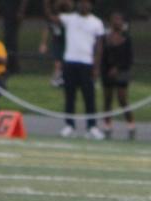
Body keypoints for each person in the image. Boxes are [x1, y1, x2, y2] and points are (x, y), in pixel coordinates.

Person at [44, 0, 105, 140]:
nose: (83, 6)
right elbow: (51, 17)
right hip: (70, 62)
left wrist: (96, 67)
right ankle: (69, 125)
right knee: (69, 96)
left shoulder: (96, 22)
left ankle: (92, 127)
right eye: (81, 3)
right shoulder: (70, 18)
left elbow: (99, 47)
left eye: (86, 3)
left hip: (86, 63)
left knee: (89, 97)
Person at [100, 12, 135, 140]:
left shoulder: (127, 38)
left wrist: (118, 68)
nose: (117, 22)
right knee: (107, 100)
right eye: (115, 19)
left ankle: (131, 124)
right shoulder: (106, 38)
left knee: (122, 99)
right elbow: (103, 55)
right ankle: (107, 125)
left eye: (119, 19)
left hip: (122, 71)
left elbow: (129, 58)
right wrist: (104, 69)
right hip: (107, 71)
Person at [40, 0, 72, 88]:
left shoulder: (69, 17)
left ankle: (61, 79)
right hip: (57, 42)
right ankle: (56, 79)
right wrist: (43, 43)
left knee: (65, 63)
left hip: (67, 42)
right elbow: (47, 29)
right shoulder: (52, 18)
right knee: (58, 63)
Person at [2, 0, 28, 74]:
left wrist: (21, 11)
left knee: (12, 40)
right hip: (8, 11)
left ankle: (13, 66)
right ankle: (9, 64)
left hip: (14, 11)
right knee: (8, 39)